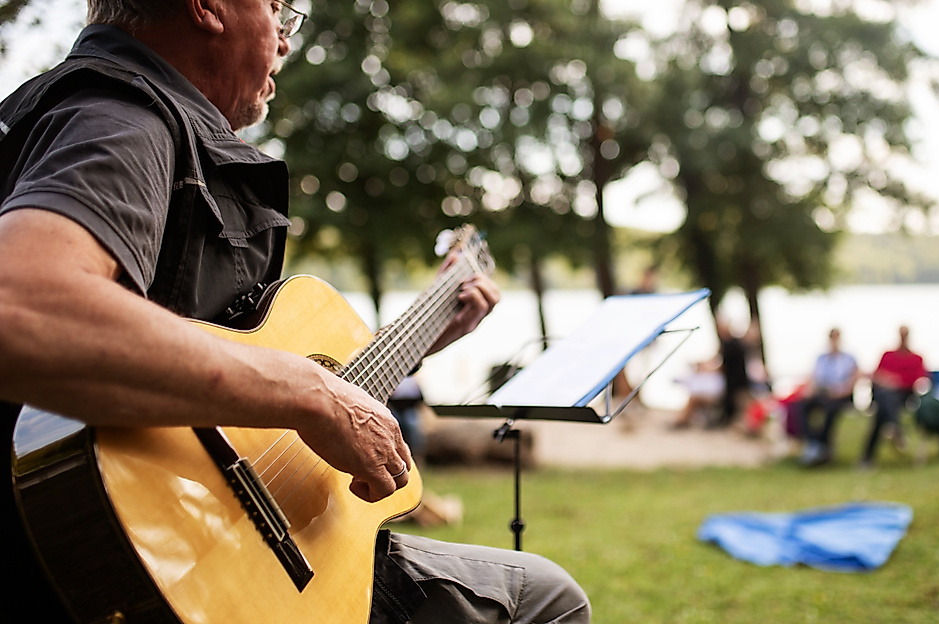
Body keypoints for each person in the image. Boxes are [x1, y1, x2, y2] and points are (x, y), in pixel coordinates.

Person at [0, 3, 589, 623]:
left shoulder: (96, 117)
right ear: (208, 7)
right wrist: (312, 395)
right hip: (137, 558)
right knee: (546, 599)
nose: (286, 40)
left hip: (211, 548)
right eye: (277, 9)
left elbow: (226, 369)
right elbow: (24, 312)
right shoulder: (119, 120)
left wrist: (417, 340)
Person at [861, 325, 927, 467]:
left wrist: (897, 381)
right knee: (885, 396)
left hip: (903, 395)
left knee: (881, 411)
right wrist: (885, 380)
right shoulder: (887, 355)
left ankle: (867, 458)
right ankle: (896, 429)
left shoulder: (916, 359)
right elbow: (877, 375)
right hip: (884, 395)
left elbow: (919, 380)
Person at [798, 328, 859, 467]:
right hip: (823, 394)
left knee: (830, 410)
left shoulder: (849, 359)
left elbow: (852, 382)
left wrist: (837, 392)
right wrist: (809, 392)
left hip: (841, 396)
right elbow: (814, 379)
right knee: (802, 406)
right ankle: (813, 443)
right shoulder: (821, 358)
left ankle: (821, 446)